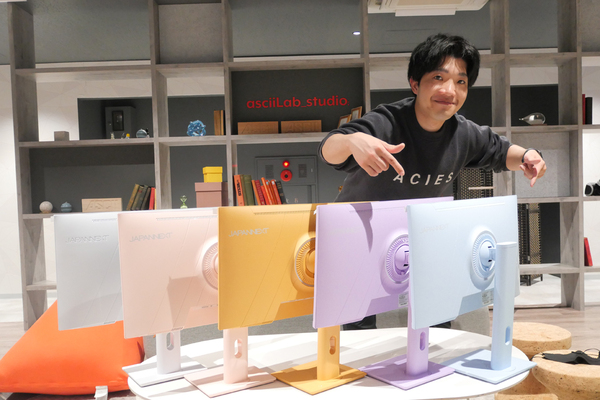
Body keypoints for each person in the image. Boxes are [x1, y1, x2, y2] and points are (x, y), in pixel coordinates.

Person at [318, 33, 546, 330]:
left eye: (461, 81)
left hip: (421, 234)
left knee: (438, 316)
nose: (450, 90)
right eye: (438, 77)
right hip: (363, 234)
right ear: (415, 84)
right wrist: (352, 141)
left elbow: (501, 151)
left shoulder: (463, 133)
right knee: (358, 329)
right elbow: (328, 150)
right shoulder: (387, 122)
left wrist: (528, 156)